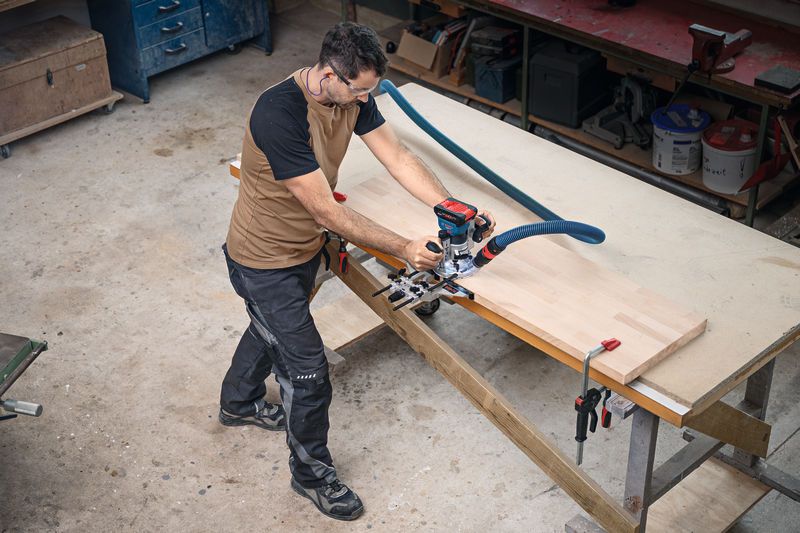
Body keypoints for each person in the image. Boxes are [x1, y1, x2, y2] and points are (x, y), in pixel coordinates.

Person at [219, 22, 495, 521]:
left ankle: (237, 402)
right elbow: (325, 210)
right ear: (329, 75)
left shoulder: (353, 95)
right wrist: (404, 246)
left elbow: (397, 156)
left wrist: (451, 206)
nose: (367, 100)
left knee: (274, 328)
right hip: (263, 259)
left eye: (370, 91)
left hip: (305, 248)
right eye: (360, 90)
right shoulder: (278, 113)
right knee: (307, 373)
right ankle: (311, 476)